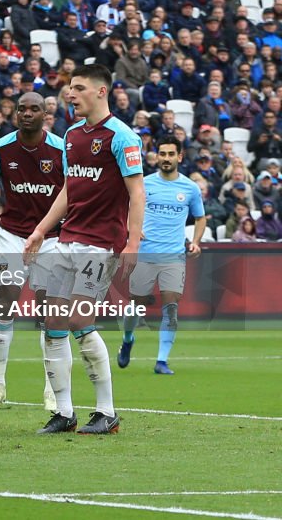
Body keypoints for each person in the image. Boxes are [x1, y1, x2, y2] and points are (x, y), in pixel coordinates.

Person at [25, 65, 145, 435]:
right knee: (53, 321)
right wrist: (42, 230)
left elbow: (137, 192)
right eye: (69, 88)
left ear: (101, 91)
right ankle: (64, 412)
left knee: (78, 319)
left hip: (102, 243)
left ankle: (106, 412)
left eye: (77, 88)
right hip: (68, 239)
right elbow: (68, 189)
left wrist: (133, 242)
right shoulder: (73, 136)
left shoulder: (121, 136)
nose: (69, 94)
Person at [0, 92, 63, 411]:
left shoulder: (61, 150)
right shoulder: (0, 149)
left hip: (51, 238)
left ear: (45, 115)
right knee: (6, 301)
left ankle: (52, 389)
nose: (26, 113)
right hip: (11, 235)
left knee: (47, 312)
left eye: (33, 109)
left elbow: (73, 194)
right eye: (21, 109)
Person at [118, 136, 205, 376]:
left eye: (170, 154)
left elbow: (200, 217)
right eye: (162, 154)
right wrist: (131, 227)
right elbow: (125, 207)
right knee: (134, 308)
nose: (166, 159)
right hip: (145, 255)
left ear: (179, 156)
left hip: (174, 257)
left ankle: (162, 361)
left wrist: (196, 242)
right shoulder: (143, 184)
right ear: (156, 156)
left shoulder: (190, 188)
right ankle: (127, 339)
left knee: (171, 308)